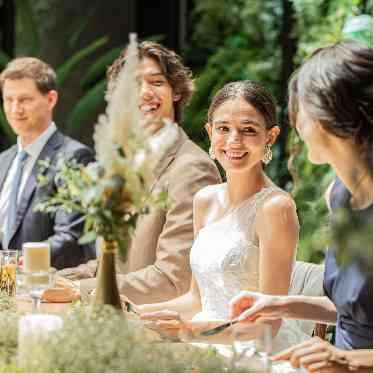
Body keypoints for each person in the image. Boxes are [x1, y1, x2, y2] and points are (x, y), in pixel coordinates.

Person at [137, 80, 309, 357]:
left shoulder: (276, 208)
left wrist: (189, 332)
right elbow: (195, 299)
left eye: (248, 130)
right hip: (202, 340)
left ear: (271, 136)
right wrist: (130, 311)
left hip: (253, 351)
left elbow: (267, 326)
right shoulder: (204, 200)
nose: (233, 141)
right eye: (223, 129)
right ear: (209, 131)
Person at [230, 41, 373, 372]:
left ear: (328, 117)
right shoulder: (339, 196)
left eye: (300, 109)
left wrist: (346, 359)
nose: (295, 123)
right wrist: (280, 304)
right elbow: (355, 311)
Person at [63, 41, 221, 304]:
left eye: (156, 82)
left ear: (176, 92)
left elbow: (173, 279)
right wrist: (60, 278)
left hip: (158, 325)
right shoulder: (124, 162)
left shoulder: (193, 169)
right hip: (112, 316)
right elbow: (113, 263)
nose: (145, 93)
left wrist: (79, 291)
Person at [0, 57, 95, 269]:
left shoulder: (74, 157)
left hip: (49, 291)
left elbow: (70, 235)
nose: (15, 109)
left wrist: (19, 265)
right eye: (9, 99)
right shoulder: (3, 161)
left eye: (24, 100)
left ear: (51, 99)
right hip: (6, 290)